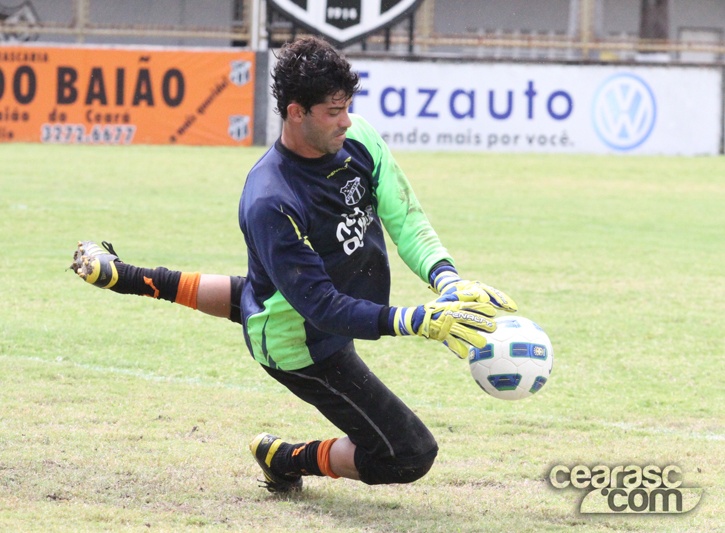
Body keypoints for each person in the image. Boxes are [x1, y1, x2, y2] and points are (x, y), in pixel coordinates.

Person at [70, 36, 517, 493]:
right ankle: (284, 458)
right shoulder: (271, 198)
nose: (346, 121)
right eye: (333, 111)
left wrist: (446, 279)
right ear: (296, 112)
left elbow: (406, 218)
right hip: (302, 342)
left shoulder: (359, 138)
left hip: (289, 298)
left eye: (348, 107)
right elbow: (320, 306)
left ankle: (121, 275)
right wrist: (414, 320)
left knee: (257, 294)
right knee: (408, 454)